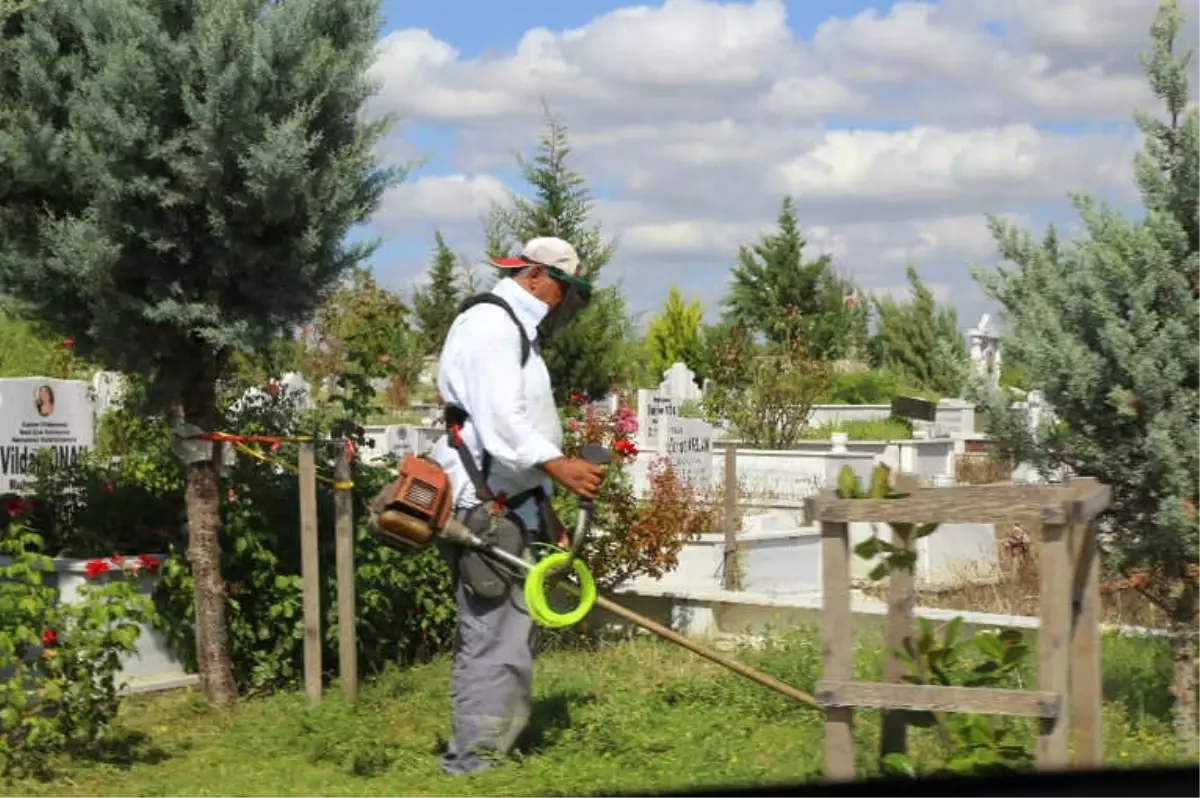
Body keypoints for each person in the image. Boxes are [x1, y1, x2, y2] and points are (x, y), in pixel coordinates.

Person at [432, 236, 608, 776]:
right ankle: (473, 765)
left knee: (512, 632)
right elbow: (502, 422)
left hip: (514, 502)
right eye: (562, 288)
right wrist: (560, 466)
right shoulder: (492, 325)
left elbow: (523, 430)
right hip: (487, 507)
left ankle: (491, 750)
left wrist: (547, 507)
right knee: (492, 637)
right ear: (533, 275)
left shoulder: (515, 329)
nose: (562, 302)